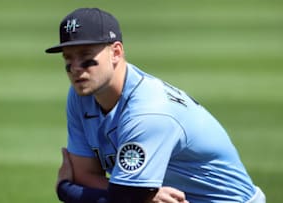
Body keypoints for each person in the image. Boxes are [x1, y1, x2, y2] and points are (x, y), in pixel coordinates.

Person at [45, 7, 266, 203]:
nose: (75, 68)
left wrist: (65, 189)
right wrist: (142, 195)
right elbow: (85, 175)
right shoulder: (82, 95)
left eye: (85, 55)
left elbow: (119, 198)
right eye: (68, 58)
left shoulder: (148, 112)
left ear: (116, 52)